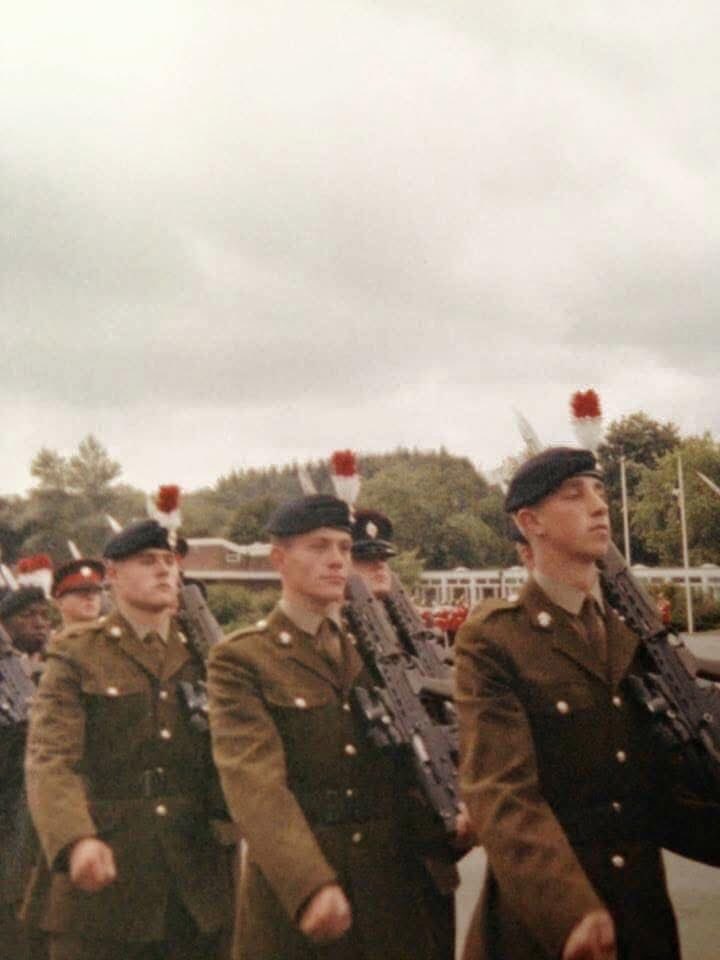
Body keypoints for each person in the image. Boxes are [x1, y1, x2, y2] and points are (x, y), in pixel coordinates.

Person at [455, 447, 720, 960]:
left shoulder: (631, 635)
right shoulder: (496, 640)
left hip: (640, 918)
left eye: (600, 492)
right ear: (530, 522)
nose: (599, 506)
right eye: (574, 495)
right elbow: (502, 792)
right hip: (548, 926)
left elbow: (659, 790)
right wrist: (570, 911)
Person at [208, 493, 443, 960]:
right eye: (319, 547)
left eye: (342, 547)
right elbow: (254, 784)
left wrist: (451, 823)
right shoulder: (242, 658)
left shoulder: (380, 653)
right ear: (279, 559)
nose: (336, 560)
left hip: (390, 891)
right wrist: (309, 883)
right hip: (298, 900)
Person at [25, 518, 234, 960]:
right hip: (104, 883)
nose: (164, 571)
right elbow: (51, 758)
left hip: (195, 880)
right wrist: (75, 838)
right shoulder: (78, 652)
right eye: (147, 561)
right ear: (113, 575)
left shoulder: (209, 655)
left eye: (169, 562)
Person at [51, 559, 105, 628]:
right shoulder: (52, 638)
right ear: (60, 602)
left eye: (96, 591)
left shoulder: (115, 636)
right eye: (81, 592)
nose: (90, 597)